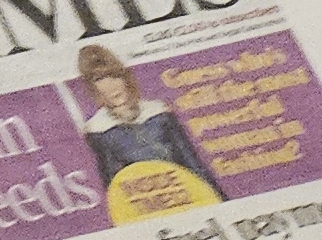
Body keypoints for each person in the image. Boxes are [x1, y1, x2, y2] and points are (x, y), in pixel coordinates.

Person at [71, 44, 222, 200]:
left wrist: (219, 201)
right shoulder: (99, 131)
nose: (110, 86)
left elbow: (192, 163)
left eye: (114, 76)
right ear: (92, 87)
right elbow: (114, 185)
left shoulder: (159, 113)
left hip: (188, 193)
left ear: (124, 77)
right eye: (99, 79)